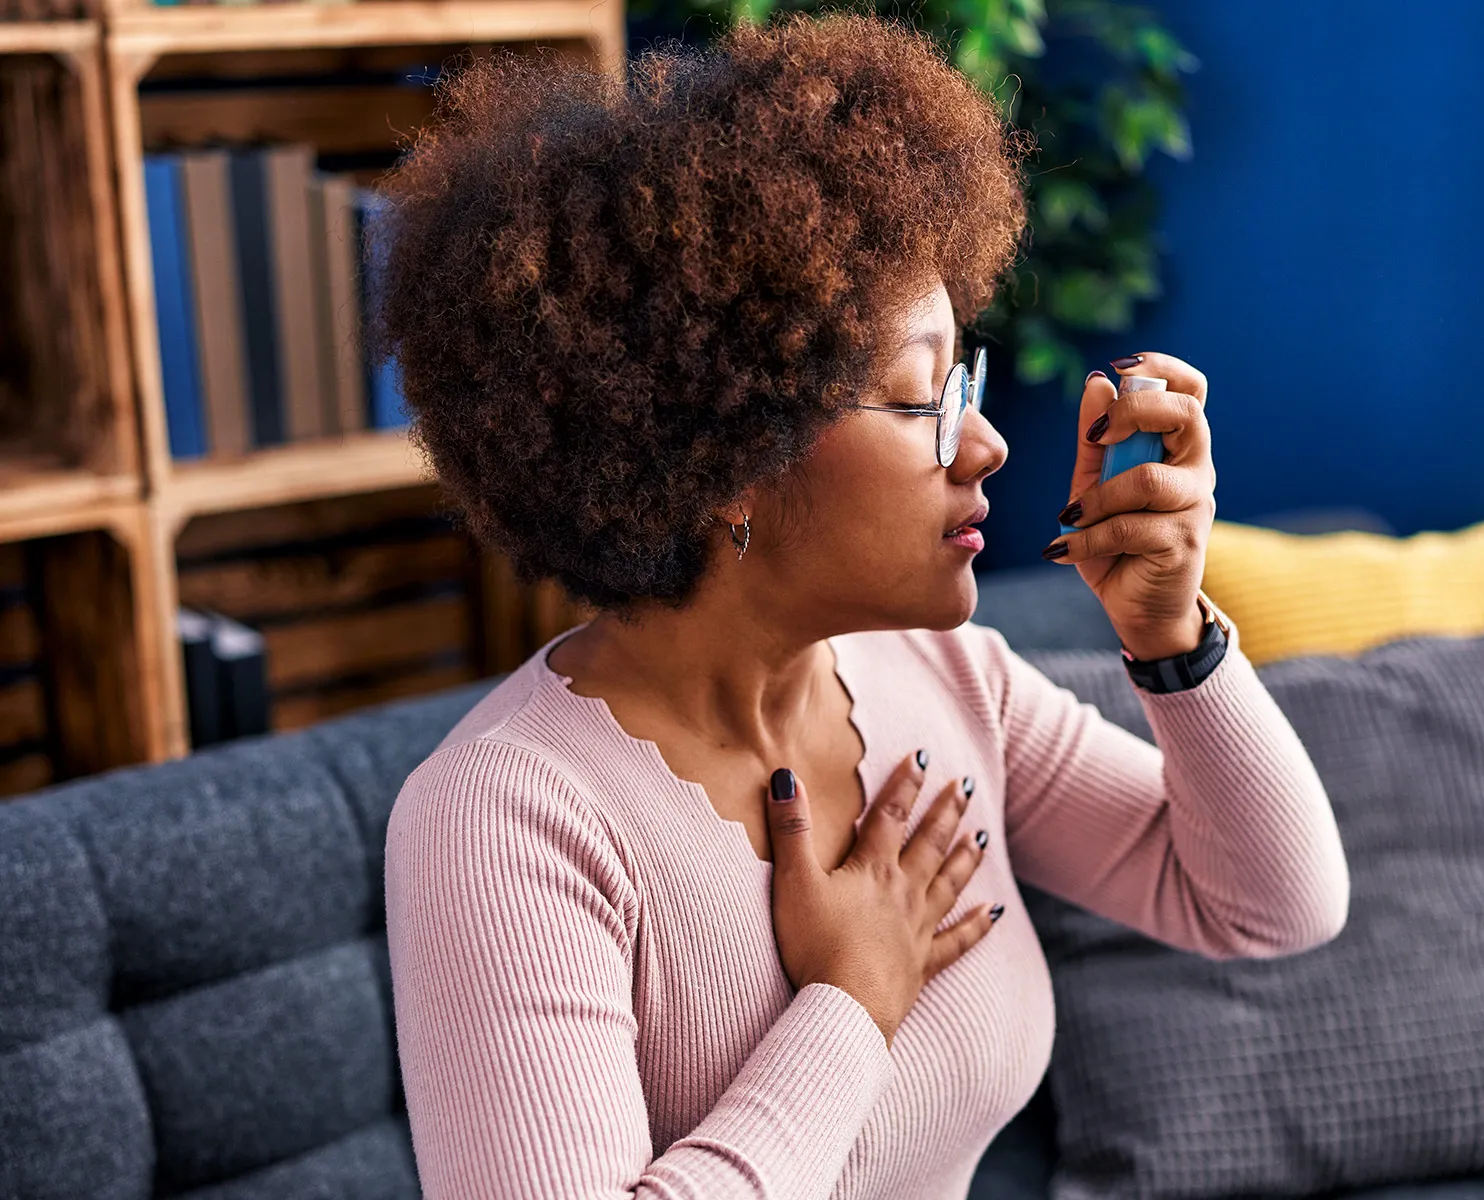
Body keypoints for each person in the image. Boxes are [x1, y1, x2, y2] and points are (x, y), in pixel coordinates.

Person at [377, 12, 1350, 1198]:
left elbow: (1272, 905)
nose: (986, 444)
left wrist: (1173, 641)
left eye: (965, 381)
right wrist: (848, 1002)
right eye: (918, 397)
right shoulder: (502, 825)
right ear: (728, 449)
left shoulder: (950, 685)